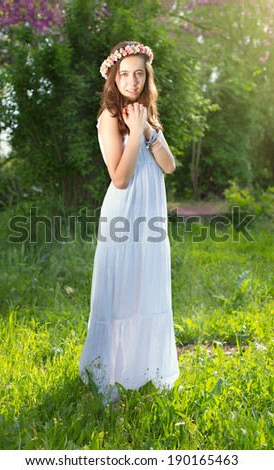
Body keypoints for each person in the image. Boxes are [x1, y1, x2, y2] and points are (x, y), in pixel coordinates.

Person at [79, 41, 179, 402]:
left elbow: (169, 166)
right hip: (124, 214)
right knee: (120, 293)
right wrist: (134, 132)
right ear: (113, 77)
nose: (132, 81)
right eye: (124, 74)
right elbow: (119, 178)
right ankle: (107, 374)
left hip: (151, 215)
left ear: (146, 76)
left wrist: (149, 130)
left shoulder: (146, 116)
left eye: (139, 73)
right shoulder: (110, 117)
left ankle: (144, 369)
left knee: (146, 290)